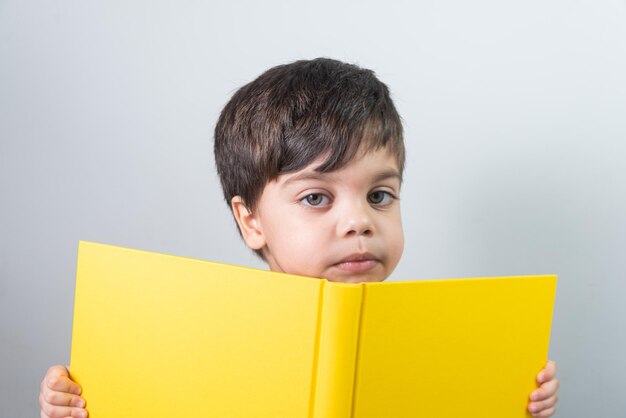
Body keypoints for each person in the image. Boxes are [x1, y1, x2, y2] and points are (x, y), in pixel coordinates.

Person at [39, 58, 559, 418]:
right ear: (251, 221)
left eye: (380, 196)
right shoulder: (187, 339)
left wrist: (515, 400)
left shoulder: (452, 345)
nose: (358, 222)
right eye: (316, 198)